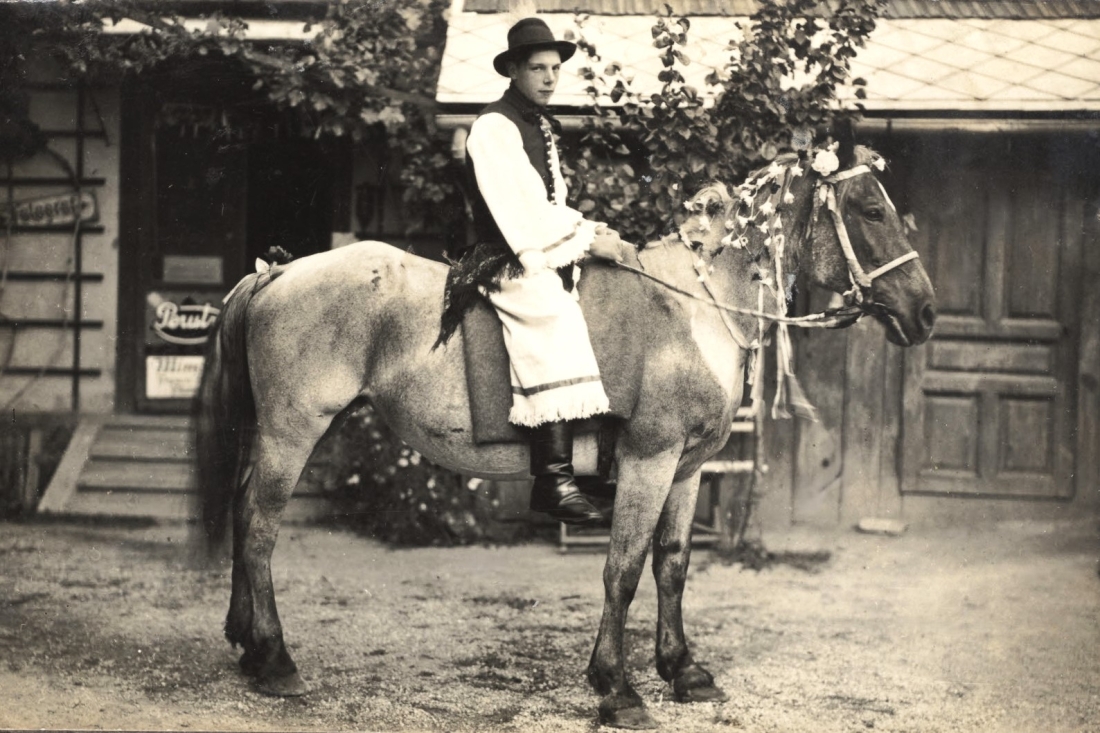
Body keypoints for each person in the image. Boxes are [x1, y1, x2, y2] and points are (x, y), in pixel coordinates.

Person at [463, 16, 627, 526]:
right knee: (551, 312)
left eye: (556, 68)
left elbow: (553, 206)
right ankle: (552, 478)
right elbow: (522, 212)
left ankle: (595, 465)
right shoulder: (495, 127)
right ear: (513, 70)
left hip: (533, 244)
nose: (551, 78)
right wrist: (587, 241)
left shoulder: (539, 125)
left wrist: (595, 233)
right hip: (504, 254)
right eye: (538, 68)